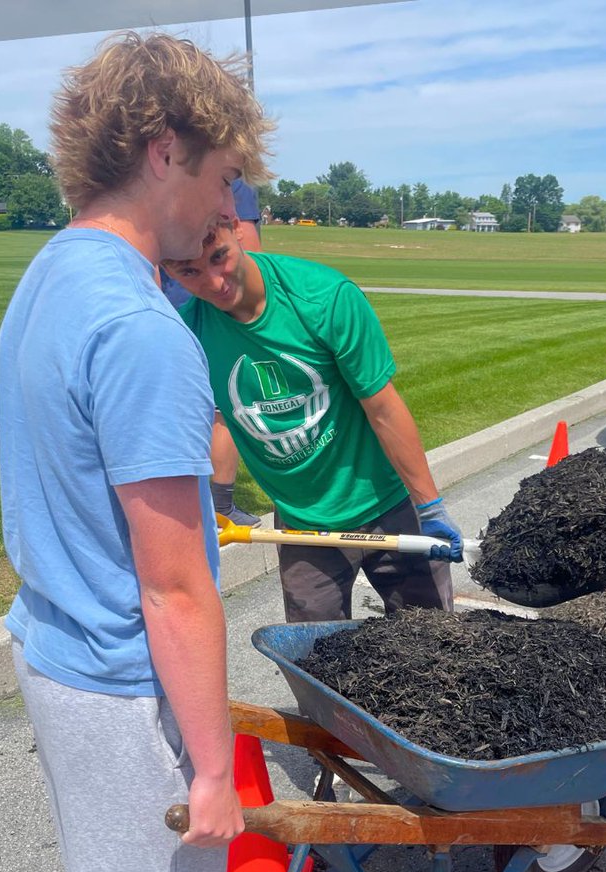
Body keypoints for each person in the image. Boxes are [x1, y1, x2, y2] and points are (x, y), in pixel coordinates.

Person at [0, 32, 286, 872]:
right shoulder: (140, 331)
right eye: (223, 180)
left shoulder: (55, 271)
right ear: (164, 151)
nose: (229, 208)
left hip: (53, 639)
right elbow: (175, 586)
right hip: (116, 669)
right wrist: (213, 771)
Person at [164, 218, 463, 623]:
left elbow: (383, 408)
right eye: (189, 271)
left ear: (236, 230)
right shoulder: (189, 334)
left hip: (386, 502)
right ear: (168, 271)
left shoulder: (324, 298)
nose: (214, 282)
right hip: (302, 522)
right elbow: (191, 431)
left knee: (436, 643)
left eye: (219, 257)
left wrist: (429, 507)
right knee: (318, 659)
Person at [161, 180, 263, 526]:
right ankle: (220, 504)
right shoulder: (233, 184)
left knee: (179, 409)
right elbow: (252, 250)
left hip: (172, 309)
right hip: (215, 308)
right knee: (226, 409)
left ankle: (178, 503)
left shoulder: (161, 186)